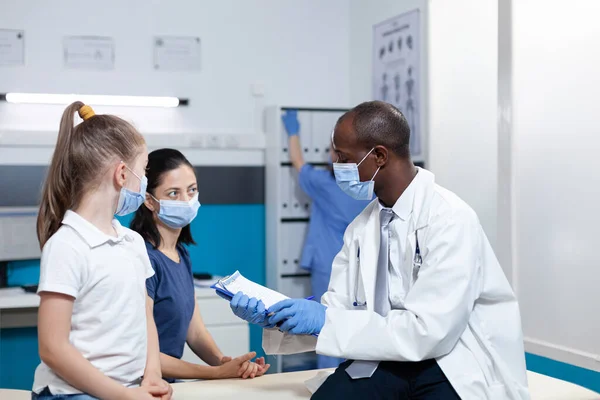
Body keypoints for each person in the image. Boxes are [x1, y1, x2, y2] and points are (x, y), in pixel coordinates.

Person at [230, 101, 530, 399]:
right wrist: (280, 318)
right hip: (386, 357)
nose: (337, 167)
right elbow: (337, 311)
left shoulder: (449, 218)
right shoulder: (361, 228)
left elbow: (427, 333)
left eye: (344, 158)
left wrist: (325, 319)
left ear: (379, 156)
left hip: (449, 361)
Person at [33, 102, 172, 399]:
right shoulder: (67, 245)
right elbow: (52, 348)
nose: (144, 181)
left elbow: (145, 318)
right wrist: (125, 396)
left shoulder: (132, 242)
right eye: (143, 170)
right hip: (70, 393)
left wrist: (152, 375)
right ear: (122, 174)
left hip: (128, 389)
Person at [130, 148, 269, 381]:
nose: (186, 201)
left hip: (169, 385)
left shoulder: (180, 254)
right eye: (173, 193)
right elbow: (143, 355)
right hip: (138, 385)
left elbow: (194, 332)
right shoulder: (141, 259)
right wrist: (215, 373)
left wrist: (229, 364)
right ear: (149, 201)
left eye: (191, 190)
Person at [280, 110, 369, 369]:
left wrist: (293, 131)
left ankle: (328, 380)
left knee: (327, 325)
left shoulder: (324, 183)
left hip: (327, 265)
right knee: (354, 327)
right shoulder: (371, 188)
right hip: (361, 267)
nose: (332, 155)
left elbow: (298, 161)